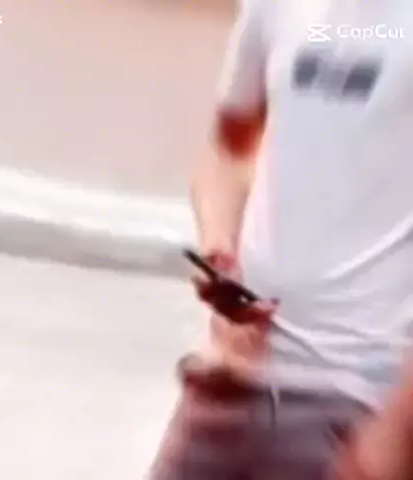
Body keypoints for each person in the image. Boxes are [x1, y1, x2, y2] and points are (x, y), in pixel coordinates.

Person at [150, 0, 413, 478]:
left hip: (356, 403)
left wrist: (396, 431)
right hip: (228, 379)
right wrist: (220, 249)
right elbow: (227, 150)